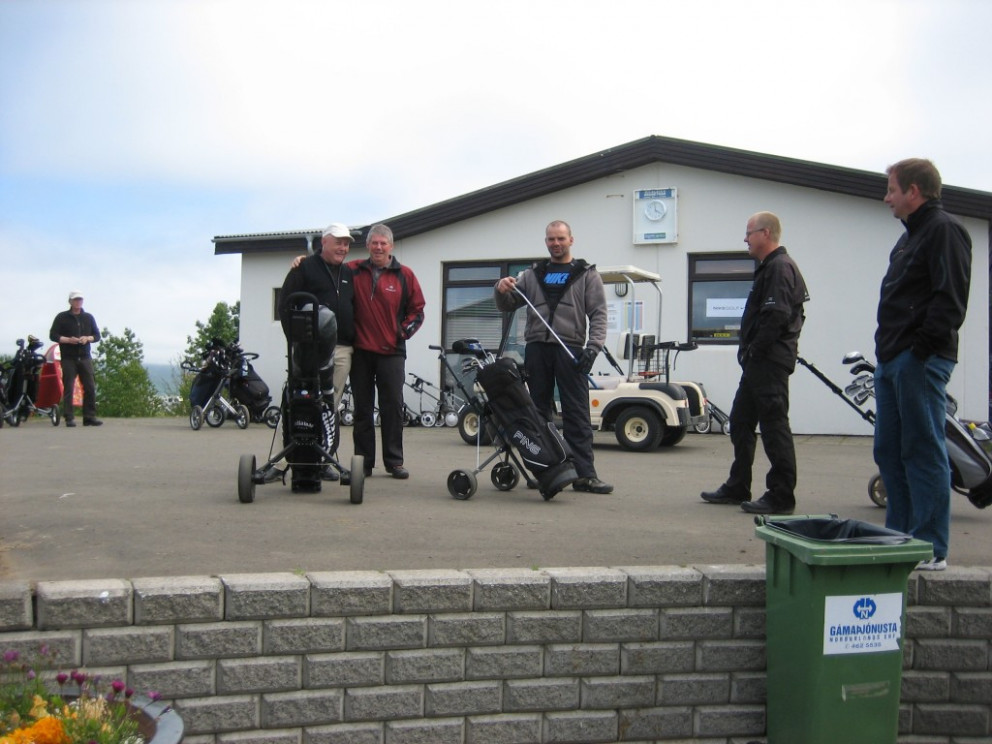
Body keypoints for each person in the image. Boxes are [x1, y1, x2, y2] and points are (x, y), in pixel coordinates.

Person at [874, 158, 972, 571]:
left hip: (920, 359)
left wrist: (919, 352)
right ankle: (898, 539)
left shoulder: (944, 230)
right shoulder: (907, 239)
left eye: (892, 189)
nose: (887, 198)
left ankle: (930, 546)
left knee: (922, 448)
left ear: (913, 191)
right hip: (891, 358)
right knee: (889, 450)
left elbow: (951, 300)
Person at [701, 212, 809, 515]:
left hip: (768, 362)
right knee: (740, 421)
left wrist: (755, 351)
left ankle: (781, 496)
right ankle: (738, 485)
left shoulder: (779, 267)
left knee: (774, 426)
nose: (745, 239)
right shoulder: (769, 268)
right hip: (758, 363)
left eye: (749, 233)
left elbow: (776, 316)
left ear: (766, 233)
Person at [494, 220, 613, 494]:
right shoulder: (532, 274)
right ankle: (544, 472)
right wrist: (500, 288)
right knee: (537, 413)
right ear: (546, 241)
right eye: (551, 239)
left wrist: (593, 348)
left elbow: (599, 314)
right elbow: (507, 305)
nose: (555, 243)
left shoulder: (586, 274)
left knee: (577, 413)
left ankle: (585, 475)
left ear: (571, 240)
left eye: (560, 238)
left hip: (571, 349)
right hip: (537, 348)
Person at [274, 222, 358, 482]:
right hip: (309, 350)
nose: (343, 247)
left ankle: (324, 460)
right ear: (324, 242)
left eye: (346, 244)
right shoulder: (304, 267)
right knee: (299, 402)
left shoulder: (348, 272)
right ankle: (287, 459)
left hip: (341, 349)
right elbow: (285, 305)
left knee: (329, 406)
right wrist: (296, 342)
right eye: (338, 242)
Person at [349, 223, 425, 479]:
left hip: (392, 352)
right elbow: (326, 268)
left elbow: (417, 310)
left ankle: (394, 462)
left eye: (383, 243)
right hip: (360, 351)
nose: (379, 247)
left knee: (392, 407)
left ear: (391, 246)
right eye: (375, 243)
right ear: (367, 246)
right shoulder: (353, 270)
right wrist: (302, 261)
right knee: (362, 408)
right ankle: (364, 463)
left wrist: (402, 333)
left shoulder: (405, 275)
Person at [49, 290, 102, 427]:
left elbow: (97, 335)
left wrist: (87, 338)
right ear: (70, 301)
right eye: (75, 300)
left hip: (85, 357)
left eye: (80, 299)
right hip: (68, 358)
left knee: (90, 386)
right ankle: (69, 417)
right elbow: (53, 335)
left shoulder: (88, 317)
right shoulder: (61, 317)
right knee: (69, 387)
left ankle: (89, 417)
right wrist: (67, 340)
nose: (78, 302)